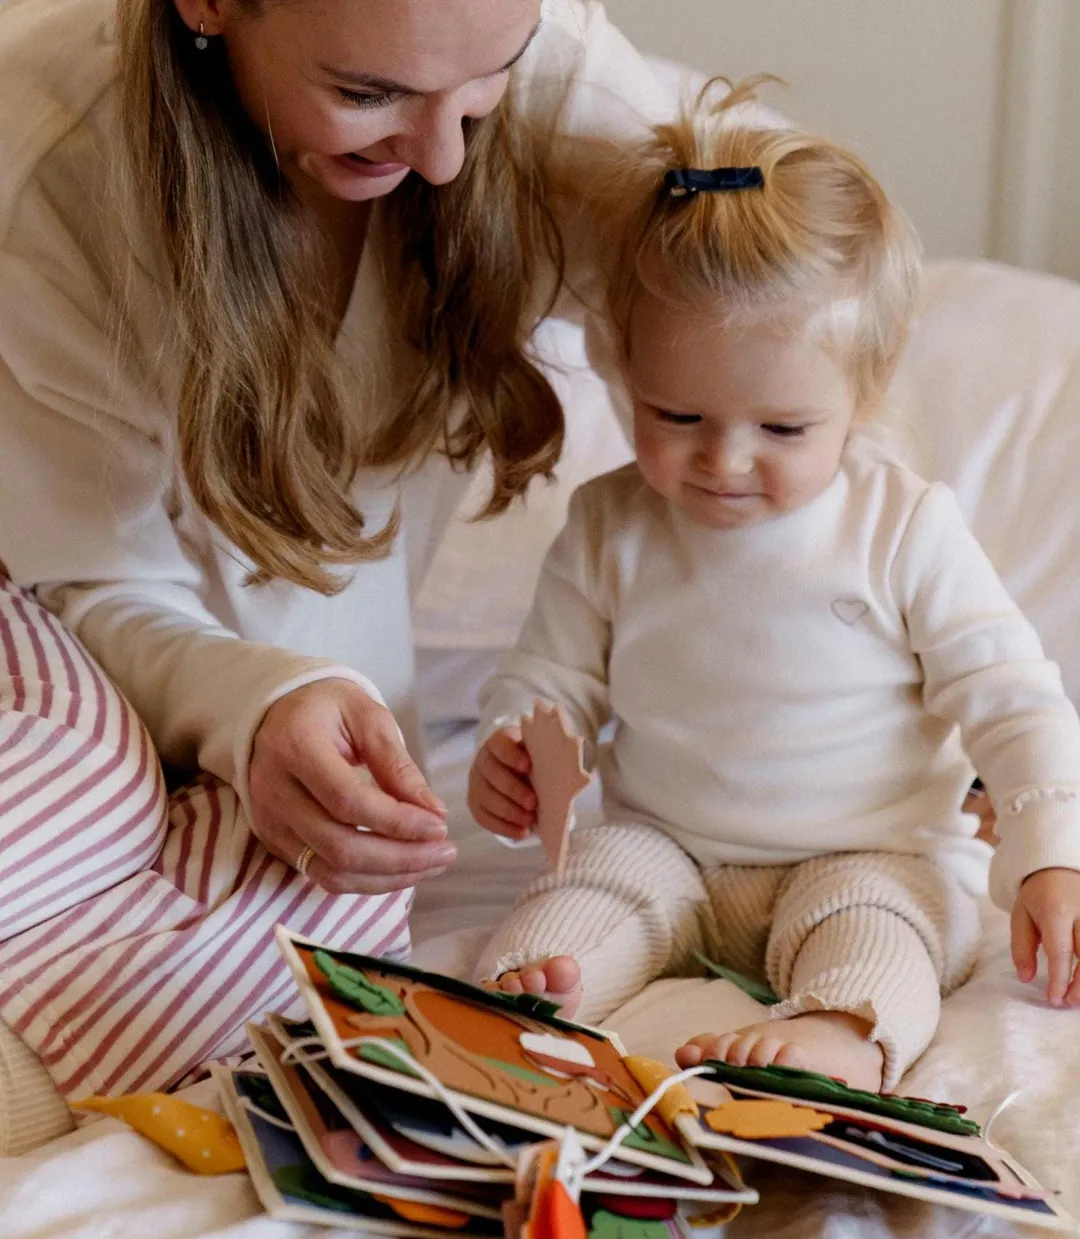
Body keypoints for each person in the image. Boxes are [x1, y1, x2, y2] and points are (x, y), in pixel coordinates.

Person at [0, 0, 676, 1152]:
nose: (447, 156)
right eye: (369, 95)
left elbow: (778, 333)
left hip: (299, 767)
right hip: (80, 677)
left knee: (315, 946)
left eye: (486, 84)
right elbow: (90, 578)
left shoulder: (548, 68)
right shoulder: (54, 177)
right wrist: (254, 709)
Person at [467, 81, 1080, 1093]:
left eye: (783, 429)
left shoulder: (901, 527)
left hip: (868, 850)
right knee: (587, 893)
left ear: (864, 392)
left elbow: (1012, 698)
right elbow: (552, 676)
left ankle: (843, 1030)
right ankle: (540, 1000)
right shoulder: (611, 523)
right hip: (668, 844)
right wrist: (514, 744)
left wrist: (1051, 847)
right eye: (675, 416)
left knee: (887, 928)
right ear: (622, 375)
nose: (726, 460)